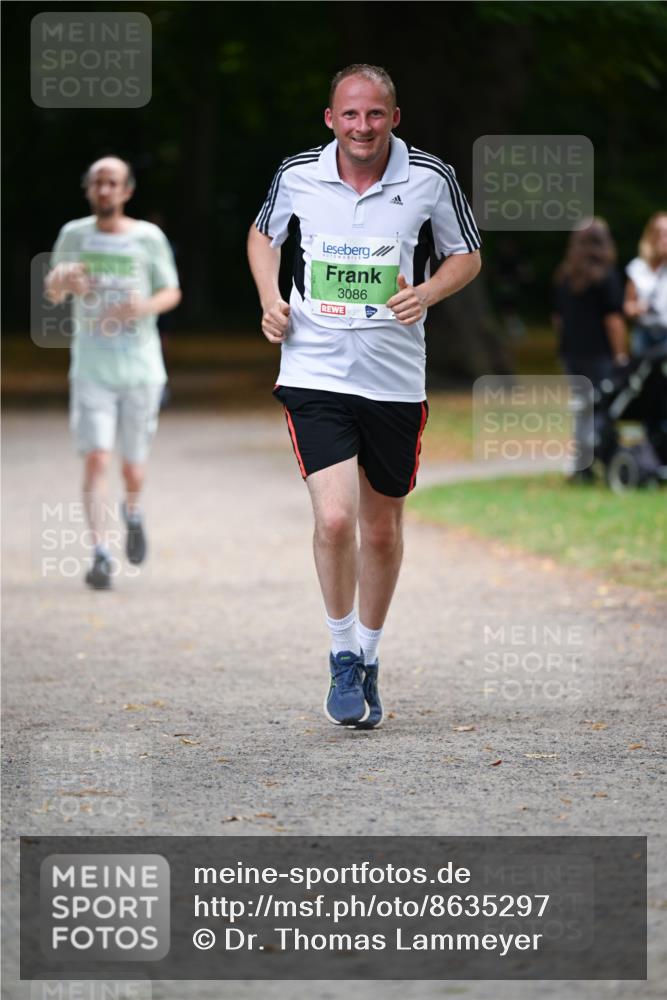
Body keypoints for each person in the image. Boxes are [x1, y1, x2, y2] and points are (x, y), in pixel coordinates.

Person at [247, 64, 481, 728]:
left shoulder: (430, 178)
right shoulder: (298, 172)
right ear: (330, 119)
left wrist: (425, 292)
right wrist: (270, 300)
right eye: (349, 114)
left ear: (394, 117)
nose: (361, 126)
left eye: (374, 114)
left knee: (380, 530)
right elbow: (264, 235)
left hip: (393, 380)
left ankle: (370, 656)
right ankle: (340, 654)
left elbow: (466, 255)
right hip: (314, 370)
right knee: (333, 520)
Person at [45, 157, 181, 590]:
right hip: (91, 367)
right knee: (97, 457)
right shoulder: (74, 234)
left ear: (127, 190)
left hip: (140, 368)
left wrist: (142, 307)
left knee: (133, 469)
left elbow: (172, 291)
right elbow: (53, 290)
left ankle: (134, 512)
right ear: (89, 189)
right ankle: (100, 553)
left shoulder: (148, 237)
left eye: (113, 183)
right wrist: (62, 281)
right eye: (98, 183)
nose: (105, 190)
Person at [551, 218, 628, 481]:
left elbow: (558, 319)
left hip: (571, 352)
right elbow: (613, 321)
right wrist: (620, 354)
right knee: (601, 407)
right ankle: (601, 456)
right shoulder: (606, 277)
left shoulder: (564, 276)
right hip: (599, 353)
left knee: (581, 408)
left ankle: (581, 464)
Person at [624, 211, 667, 356]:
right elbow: (628, 305)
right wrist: (638, 309)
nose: (664, 239)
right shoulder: (638, 268)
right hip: (644, 334)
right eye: (660, 233)